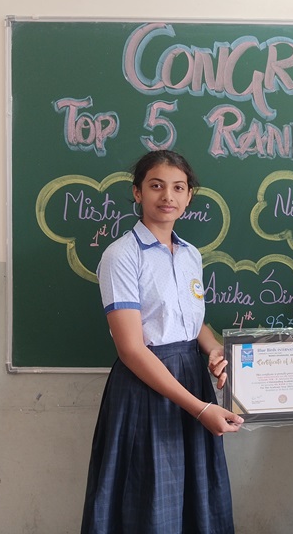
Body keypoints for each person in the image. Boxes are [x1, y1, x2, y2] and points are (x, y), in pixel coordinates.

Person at [81, 150, 243, 534]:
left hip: (192, 377)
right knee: (151, 499)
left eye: (178, 188)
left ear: (189, 197)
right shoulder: (122, 255)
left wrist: (214, 349)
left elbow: (192, 323)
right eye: (156, 186)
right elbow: (131, 348)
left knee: (196, 497)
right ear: (137, 192)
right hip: (146, 384)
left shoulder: (190, 255)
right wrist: (200, 409)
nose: (167, 196)